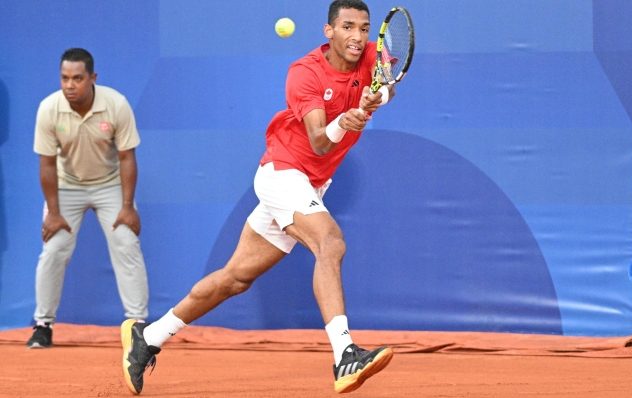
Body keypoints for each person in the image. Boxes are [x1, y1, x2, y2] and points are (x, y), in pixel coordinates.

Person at [121, 0, 395, 394]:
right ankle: (345, 354)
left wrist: (374, 100)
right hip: (284, 173)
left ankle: (147, 337)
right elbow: (319, 142)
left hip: (312, 184)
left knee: (234, 278)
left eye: (364, 28)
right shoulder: (304, 73)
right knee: (330, 243)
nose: (357, 37)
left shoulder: (371, 53)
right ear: (328, 31)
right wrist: (343, 120)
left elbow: (388, 85)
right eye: (348, 27)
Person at [29, 48, 149, 348]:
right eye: (64, 78)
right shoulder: (49, 109)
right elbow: (46, 165)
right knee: (53, 250)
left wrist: (126, 207)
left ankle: (137, 326)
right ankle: (43, 325)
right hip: (67, 187)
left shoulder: (116, 104)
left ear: (92, 78)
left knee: (126, 242)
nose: (70, 85)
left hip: (110, 186)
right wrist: (53, 213)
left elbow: (126, 158)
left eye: (78, 78)